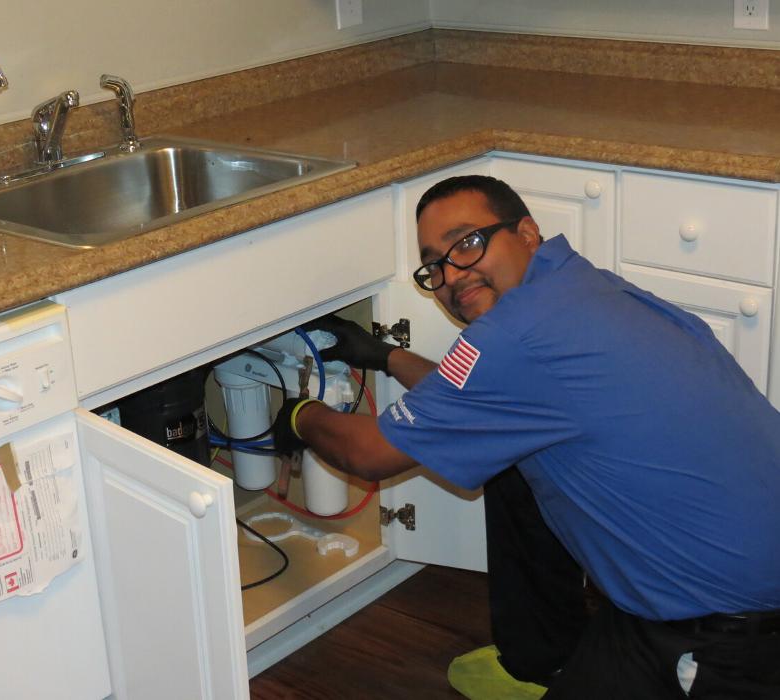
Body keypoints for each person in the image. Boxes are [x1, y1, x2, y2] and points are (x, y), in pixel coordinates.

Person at [272, 175, 780, 699]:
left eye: (468, 242)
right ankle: (546, 662)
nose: (452, 274)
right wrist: (385, 356)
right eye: (435, 265)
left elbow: (369, 453)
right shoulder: (580, 286)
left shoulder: (513, 336)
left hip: (728, 632)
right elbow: (478, 406)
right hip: (693, 580)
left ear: (527, 233)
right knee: (514, 464)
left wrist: (300, 416)